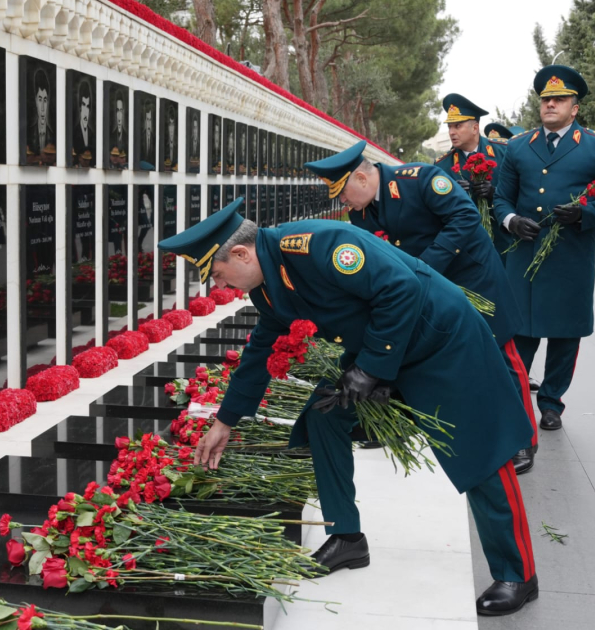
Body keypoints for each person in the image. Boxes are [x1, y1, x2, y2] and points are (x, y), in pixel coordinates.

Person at [159, 196, 539, 616]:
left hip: (441, 344)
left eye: (218, 274)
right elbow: (260, 349)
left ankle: (517, 575)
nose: (220, 286)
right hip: (383, 353)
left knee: (482, 457)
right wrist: (225, 421)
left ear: (241, 254)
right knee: (324, 415)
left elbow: (401, 289)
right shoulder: (267, 286)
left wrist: (370, 369)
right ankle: (347, 537)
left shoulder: (319, 245)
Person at [323, 140, 538, 473]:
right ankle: (397, 422)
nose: (342, 202)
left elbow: (465, 217)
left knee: (500, 356)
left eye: (342, 193)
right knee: (418, 351)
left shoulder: (421, 179)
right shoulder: (360, 212)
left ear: (362, 179)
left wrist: (424, 269)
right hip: (424, 290)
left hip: (472, 281)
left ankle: (523, 439)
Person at [493, 65, 595, 432]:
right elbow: (502, 198)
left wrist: (585, 213)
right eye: (546, 100)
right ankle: (515, 397)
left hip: (570, 256)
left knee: (565, 334)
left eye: (559, 99)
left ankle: (551, 402)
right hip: (525, 254)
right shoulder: (518, 146)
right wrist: (511, 221)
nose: (550, 104)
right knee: (520, 331)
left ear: (574, 108)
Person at [433, 94, 511, 264]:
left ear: (475, 128)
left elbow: (522, 192)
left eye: (458, 126)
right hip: (467, 251)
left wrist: (495, 193)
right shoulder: (441, 166)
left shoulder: (504, 152)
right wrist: (452, 196)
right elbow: (436, 211)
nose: (451, 132)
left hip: (505, 244)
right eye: (450, 127)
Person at [27, 67, 55, 164]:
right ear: (35, 101)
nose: (43, 108)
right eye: (40, 100)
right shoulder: (29, 130)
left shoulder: (53, 131)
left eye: (45, 100)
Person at [71, 80, 95, 167]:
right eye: (83, 105)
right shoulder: (74, 132)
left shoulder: (92, 133)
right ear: (79, 107)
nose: (85, 111)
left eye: (87, 106)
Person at [140, 101, 155, 169]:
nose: (149, 123)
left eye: (150, 120)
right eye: (147, 120)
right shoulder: (140, 137)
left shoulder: (154, 138)